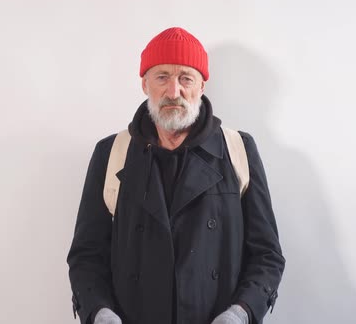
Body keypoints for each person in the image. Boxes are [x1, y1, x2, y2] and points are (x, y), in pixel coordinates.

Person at [67, 27, 285, 324]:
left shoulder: (238, 149)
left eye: (185, 78)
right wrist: (100, 312)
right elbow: (86, 256)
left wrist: (240, 313)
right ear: (145, 84)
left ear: (201, 86)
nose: (174, 92)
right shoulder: (111, 152)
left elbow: (267, 255)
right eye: (162, 77)